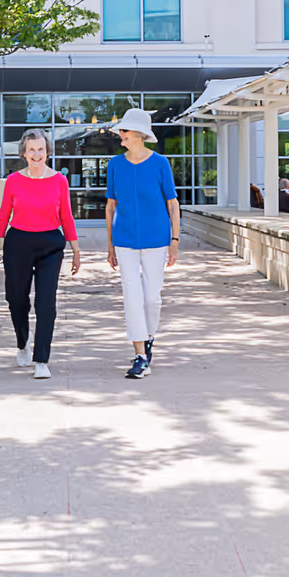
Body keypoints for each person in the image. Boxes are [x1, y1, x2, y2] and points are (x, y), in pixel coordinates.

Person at [0, 129, 81, 378]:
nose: (36, 154)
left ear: (48, 152)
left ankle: (41, 359)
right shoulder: (13, 180)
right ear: (23, 153)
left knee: (46, 304)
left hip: (50, 244)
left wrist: (75, 250)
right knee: (16, 300)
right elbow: (3, 216)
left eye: (41, 149)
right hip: (18, 242)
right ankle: (23, 342)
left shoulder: (59, 181)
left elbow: (66, 216)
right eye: (31, 149)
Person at [104, 107, 180, 380]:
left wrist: (174, 240)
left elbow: (172, 204)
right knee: (131, 296)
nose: (120, 134)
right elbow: (110, 207)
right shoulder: (115, 164)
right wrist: (110, 245)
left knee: (151, 297)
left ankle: (148, 337)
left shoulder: (160, 163)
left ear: (138, 134)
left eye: (123, 130)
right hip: (124, 240)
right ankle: (139, 354)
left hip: (157, 240)